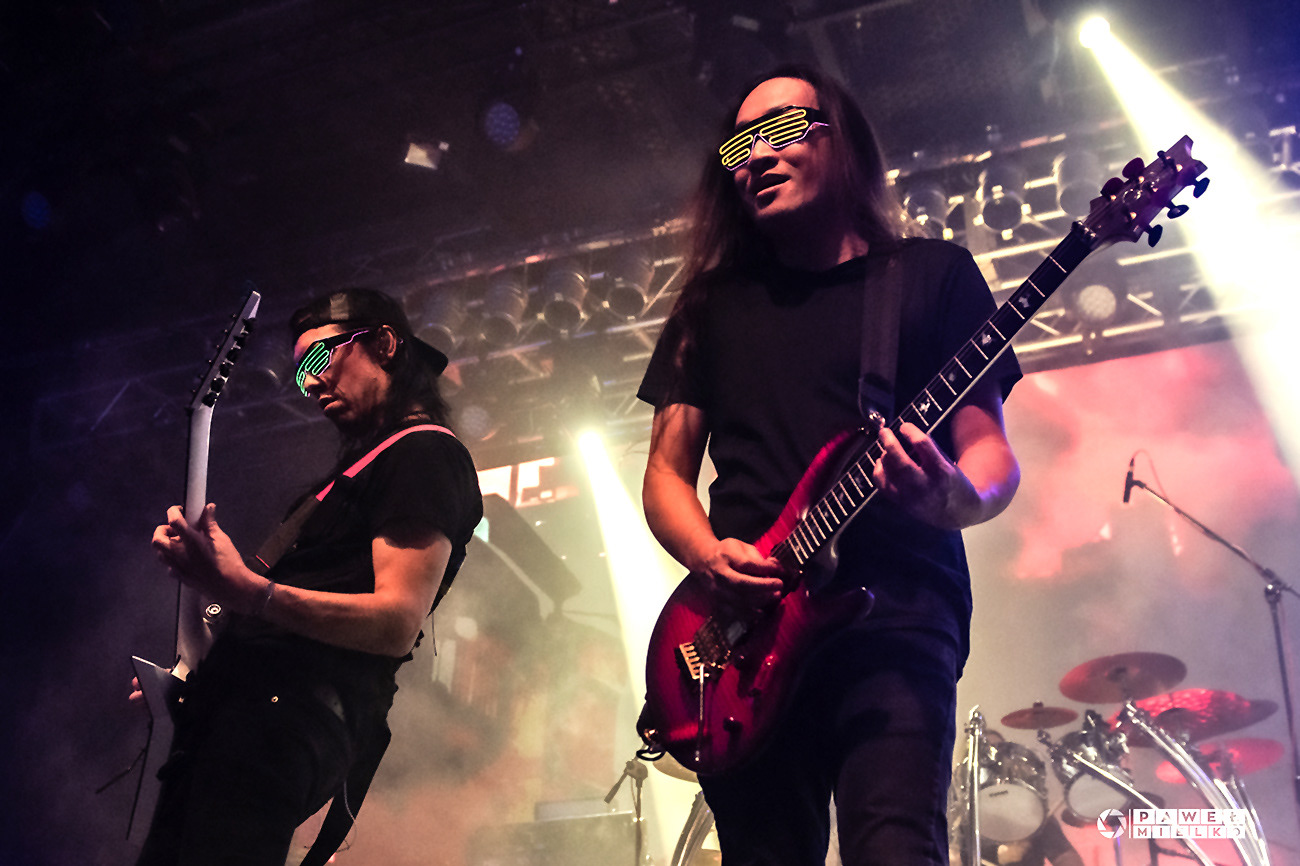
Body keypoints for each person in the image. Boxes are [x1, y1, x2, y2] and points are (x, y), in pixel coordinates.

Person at [637, 65, 1022, 866]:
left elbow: (990, 454)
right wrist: (707, 555)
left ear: (841, 143)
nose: (755, 156)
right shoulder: (709, 306)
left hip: (895, 615)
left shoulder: (932, 276)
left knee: (895, 847)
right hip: (742, 640)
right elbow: (667, 475)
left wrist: (951, 497)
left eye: (780, 131)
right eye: (739, 146)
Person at [137, 288, 483, 865]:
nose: (312, 383)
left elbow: (396, 622)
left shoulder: (425, 454)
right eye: (300, 375)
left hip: (280, 721)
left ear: (384, 344)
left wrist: (249, 591)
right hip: (233, 718)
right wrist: (191, 672)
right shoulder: (350, 474)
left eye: (320, 359)